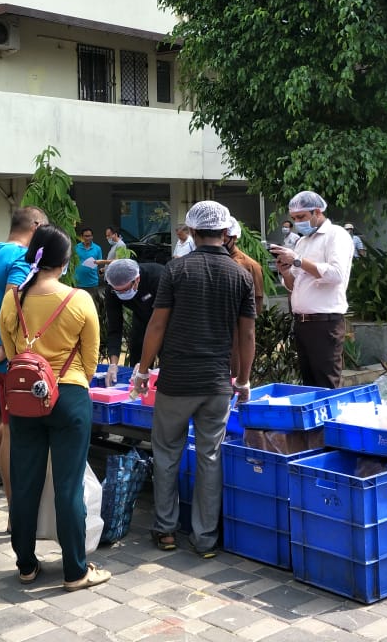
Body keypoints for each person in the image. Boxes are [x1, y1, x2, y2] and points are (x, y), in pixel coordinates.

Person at [133, 200, 255, 558]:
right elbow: (246, 336)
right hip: (218, 383)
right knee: (210, 457)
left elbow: (157, 324)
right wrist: (243, 380)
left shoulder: (176, 269)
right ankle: (204, 538)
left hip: (177, 381)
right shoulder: (241, 275)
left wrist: (142, 370)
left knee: (167, 453)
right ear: (226, 231)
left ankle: (166, 530)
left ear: (193, 230)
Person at [0, 224, 109, 590]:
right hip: (69, 395)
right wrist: (67, 376)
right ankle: (75, 569)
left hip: (25, 397)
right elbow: (91, 360)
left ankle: (26, 565)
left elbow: (13, 353)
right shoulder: (78, 299)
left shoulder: (13, 298)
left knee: (24, 481)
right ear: (65, 261)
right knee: (68, 484)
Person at [0, 205, 48, 498]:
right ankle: (19, 508)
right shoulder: (20, 258)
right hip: (18, 362)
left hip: (0, 360)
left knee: (7, 427)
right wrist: (5, 344)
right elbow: (10, 305)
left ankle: (14, 508)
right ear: (37, 226)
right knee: (19, 434)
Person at [270, 190, 355, 389]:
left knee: (326, 382)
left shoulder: (336, 235)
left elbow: (336, 275)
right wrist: (286, 271)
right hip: (302, 321)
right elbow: (294, 285)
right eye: (294, 218)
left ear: (317, 212)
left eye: (301, 217)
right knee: (309, 384)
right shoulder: (302, 241)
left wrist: (298, 261)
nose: (298, 222)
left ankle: (329, 420)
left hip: (325, 322)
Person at [103, 258, 162, 372]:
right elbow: (114, 327)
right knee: (136, 362)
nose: (121, 294)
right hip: (140, 319)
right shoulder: (112, 290)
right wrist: (113, 365)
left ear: (137, 279)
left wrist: (146, 365)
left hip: (166, 322)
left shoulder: (157, 277)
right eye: (118, 291)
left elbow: (160, 323)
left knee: (166, 363)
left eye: (125, 290)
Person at [222, 218, 264, 315]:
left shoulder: (250, 265)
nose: (220, 244)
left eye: (224, 240)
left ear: (235, 238)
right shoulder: (212, 260)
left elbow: (257, 302)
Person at [73, 227, 102, 297]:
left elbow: (99, 263)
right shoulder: (76, 248)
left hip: (92, 283)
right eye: (85, 236)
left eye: (89, 236)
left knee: (93, 304)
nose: (87, 238)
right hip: (78, 283)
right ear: (82, 237)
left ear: (92, 236)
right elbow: (73, 263)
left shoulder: (97, 248)